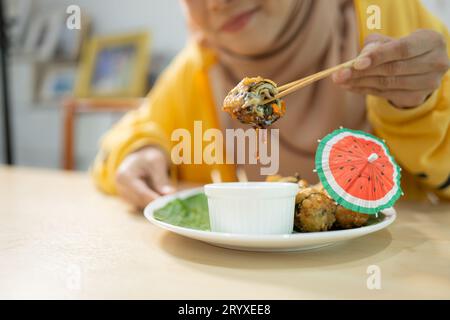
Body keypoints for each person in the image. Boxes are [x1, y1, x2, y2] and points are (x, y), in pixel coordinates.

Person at [92, 0, 450, 209]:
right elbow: (131, 132)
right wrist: (139, 152)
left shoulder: (390, 15)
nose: (217, 3)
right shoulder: (202, 64)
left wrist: (415, 106)